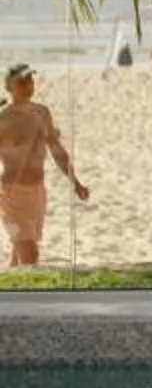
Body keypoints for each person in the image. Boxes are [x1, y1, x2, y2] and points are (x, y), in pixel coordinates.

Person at [0, 62, 89, 267]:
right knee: (30, 254)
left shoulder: (41, 113)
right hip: (10, 194)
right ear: (8, 86)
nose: (28, 85)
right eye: (21, 82)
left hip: (37, 193)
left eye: (30, 80)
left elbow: (56, 150)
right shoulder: (3, 118)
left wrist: (75, 183)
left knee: (21, 249)